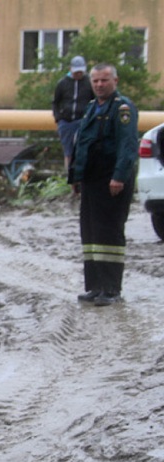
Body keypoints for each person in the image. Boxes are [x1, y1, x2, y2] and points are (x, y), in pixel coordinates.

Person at [68, 64, 138, 307]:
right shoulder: (91, 108)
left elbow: (128, 146)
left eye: (104, 80)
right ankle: (95, 287)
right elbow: (83, 143)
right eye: (95, 80)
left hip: (112, 180)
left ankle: (111, 289)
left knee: (108, 233)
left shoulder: (122, 108)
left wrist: (119, 176)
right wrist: (76, 177)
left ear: (115, 80)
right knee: (91, 234)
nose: (99, 84)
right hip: (91, 179)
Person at [53, 56, 95, 170]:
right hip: (66, 122)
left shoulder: (89, 82)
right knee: (68, 152)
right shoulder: (62, 83)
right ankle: (70, 178)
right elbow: (56, 102)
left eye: (80, 71)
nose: (78, 74)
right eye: (76, 71)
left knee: (84, 150)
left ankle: (83, 177)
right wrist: (58, 118)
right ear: (70, 69)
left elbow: (94, 101)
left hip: (83, 121)